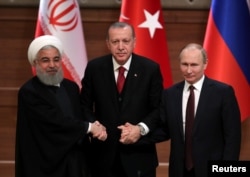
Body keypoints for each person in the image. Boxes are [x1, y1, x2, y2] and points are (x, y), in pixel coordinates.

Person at [15, 35, 107, 177]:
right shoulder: (29, 92)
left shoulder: (71, 87)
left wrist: (96, 125)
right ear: (35, 63)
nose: (52, 65)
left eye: (56, 59)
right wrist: (89, 127)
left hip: (75, 163)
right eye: (45, 60)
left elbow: (81, 113)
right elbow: (54, 122)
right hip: (45, 165)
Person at [80, 22, 163, 177]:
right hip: (102, 157)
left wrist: (140, 129)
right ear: (107, 44)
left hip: (139, 157)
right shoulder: (94, 68)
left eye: (125, 41)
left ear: (134, 42)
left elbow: (158, 108)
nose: (120, 47)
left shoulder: (150, 69)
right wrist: (94, 126)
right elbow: (84, 105)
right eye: (115, 41)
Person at [160, 43, 241, 177]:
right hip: (179, 170)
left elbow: (233, 137)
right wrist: (138, 131)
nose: (189, 70)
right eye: (185, 64)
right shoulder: (170, 94)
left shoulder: (223, 92)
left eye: (194, 65)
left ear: (205, 64)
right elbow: (163, 129)